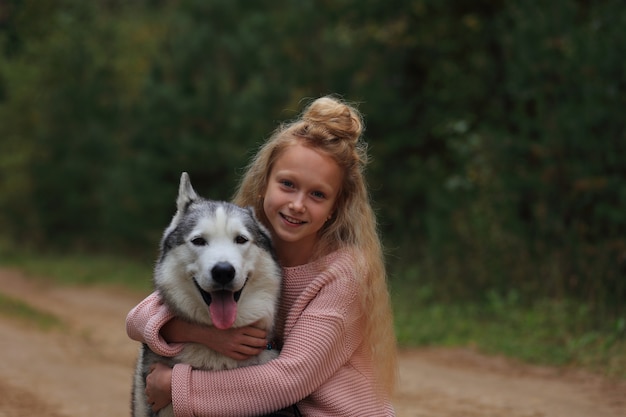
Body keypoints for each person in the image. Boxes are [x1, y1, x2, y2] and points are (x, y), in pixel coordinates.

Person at [126, 95, 398, 416]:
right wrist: (192, 332)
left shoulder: (344, 273)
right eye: (287, 184)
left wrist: (174, 384)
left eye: (317, 194)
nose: (297, 204)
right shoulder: (249, 247)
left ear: (335, 208)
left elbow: (287, 380)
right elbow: (139, 317)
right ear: (263, 185)